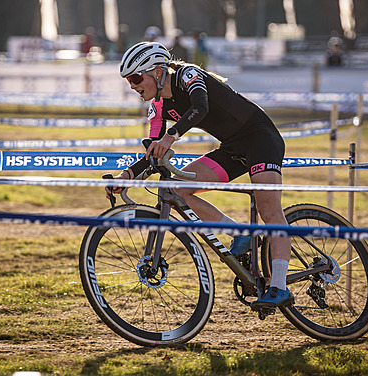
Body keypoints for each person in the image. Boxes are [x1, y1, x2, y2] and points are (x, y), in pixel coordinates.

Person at [108, 41, 293, 309]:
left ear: (158, 71)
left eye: (136, 78)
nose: (133, 86)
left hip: (260, 140)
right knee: (175, 189)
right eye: (128, 81)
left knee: (269, 211)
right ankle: (239, 233)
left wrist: (171, 136)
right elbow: (153, 152)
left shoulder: (188, 75)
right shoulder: (158, 106)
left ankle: (279, 286)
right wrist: (126, 176)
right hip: (232, 148)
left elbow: (201, 106)